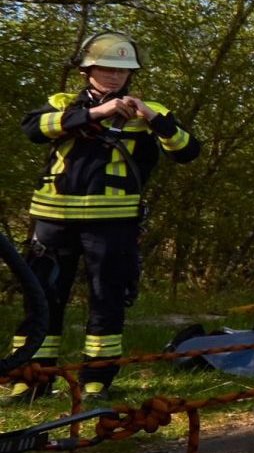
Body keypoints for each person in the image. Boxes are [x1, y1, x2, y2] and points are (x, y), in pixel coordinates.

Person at [10, 32, 200, 400]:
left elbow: (187, 150)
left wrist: (151, 118)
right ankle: (31, 378)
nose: (114, 76)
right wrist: (99, 113)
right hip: (53, 219)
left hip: (113, 222)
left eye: (122, 70)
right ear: (87, 70)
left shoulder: (151, 111)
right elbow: (33, 128)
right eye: (106, 68)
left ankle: (96, 380)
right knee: (42, 297)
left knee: (106, 299)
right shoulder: (63, 105)